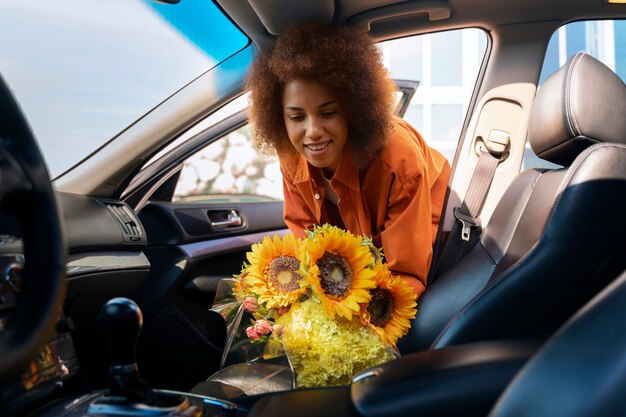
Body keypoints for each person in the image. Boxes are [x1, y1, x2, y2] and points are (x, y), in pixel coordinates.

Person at [245, 22, 450, 299]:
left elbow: (405, 279)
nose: (313, 131)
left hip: (430, 258)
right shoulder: (292, 155)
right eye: (296, 117)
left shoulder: (400, 161)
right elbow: (307, 248)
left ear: (353, 111)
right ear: (279, 119)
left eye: (328, 113)